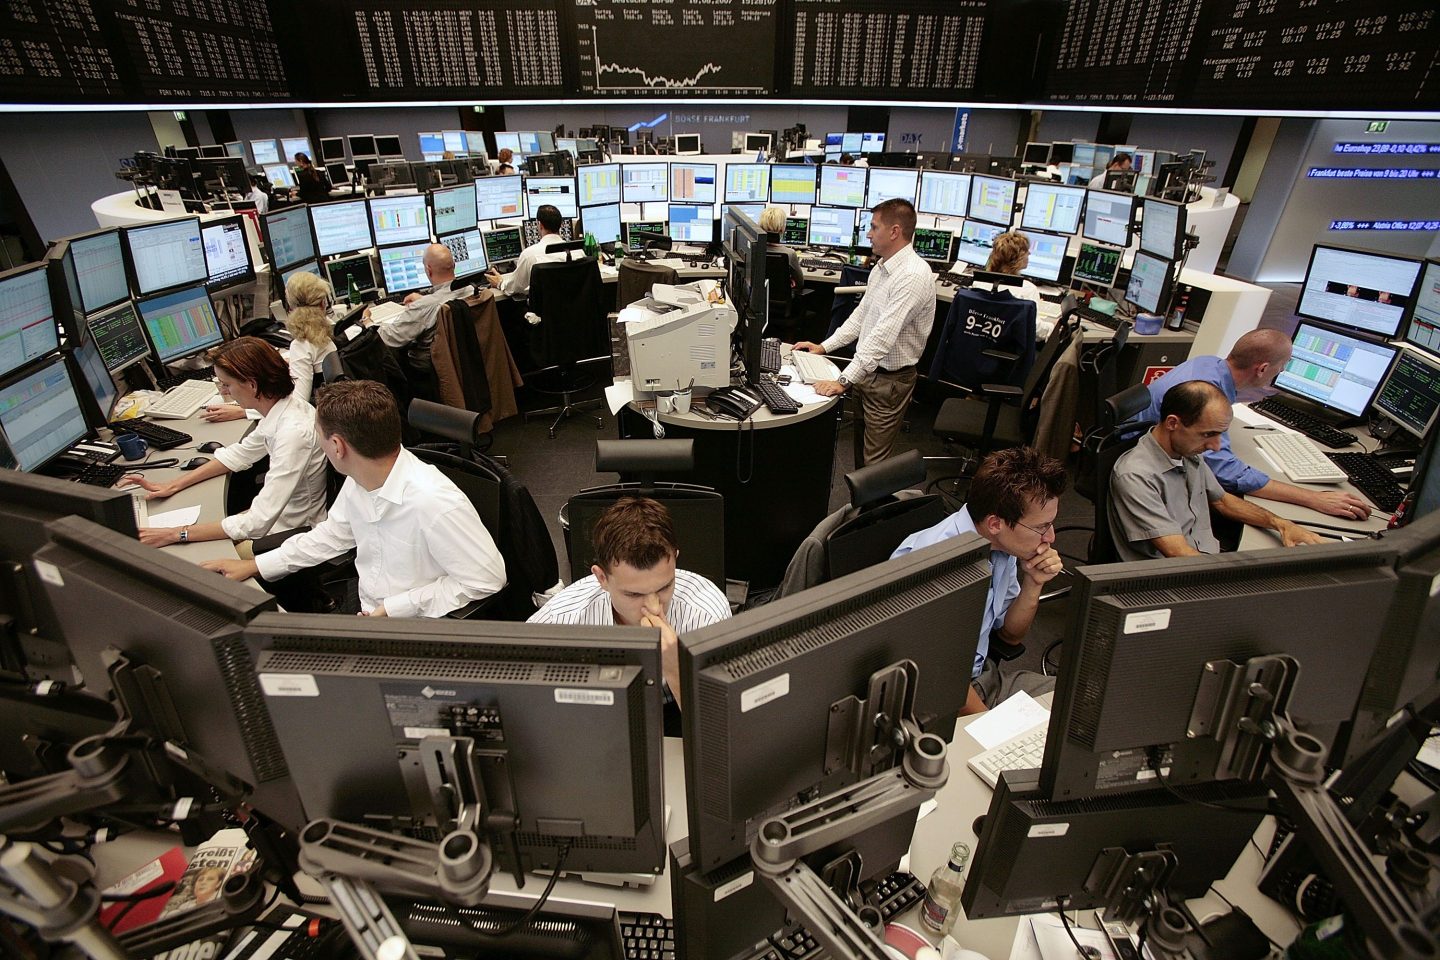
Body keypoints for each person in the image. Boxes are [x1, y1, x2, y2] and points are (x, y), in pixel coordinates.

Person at [201, 380, 506, 617]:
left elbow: (487, 580)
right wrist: (255, 566)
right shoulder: (361, 478)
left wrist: (397, 607)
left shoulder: (434, 503)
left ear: (337, 446)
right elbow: (332, 537)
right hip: (369, 607)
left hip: (414, 626)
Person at [891, 447, 1067, 714]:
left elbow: (1009, 635)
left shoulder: (1001, 547)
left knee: (1079, 707)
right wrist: (988, 731)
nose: (1051, 538)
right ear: (996, 523)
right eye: (1041, 527)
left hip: (983, 679)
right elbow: (938, 679)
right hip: (935, 700)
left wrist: (1034, 582)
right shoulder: (933, 570)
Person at [1142, 328, 1372, 520]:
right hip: (1151, 471)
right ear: (1262, 369)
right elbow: (1227, 473)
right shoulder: (1207, 394)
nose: (1280, 372)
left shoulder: (1209, 364)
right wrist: (1312, 497)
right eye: (1281, 367)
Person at [126, 337, 329, 551]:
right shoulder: (283, 409)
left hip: (291, 531)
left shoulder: (292, 433)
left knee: (195, 558)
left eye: (226, 384)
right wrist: (174, 485)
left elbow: (257, 522)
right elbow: (239, 455)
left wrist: (175, 534)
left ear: (252, 384)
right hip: (277, 515)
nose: (223, 392)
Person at [530, 497, 730, 708]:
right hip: (597, 715)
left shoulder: (707, 614)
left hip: (676, 713)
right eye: (634, 595)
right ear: (602, 579)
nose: (654, 607)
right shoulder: (561, 619)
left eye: (664, 587)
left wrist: (675, 668)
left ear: (675, 559)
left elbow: (718, 724)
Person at [1111, 381, 1324, 561]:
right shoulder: (1136, 476)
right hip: (1173, 575)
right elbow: (1178, 553)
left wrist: (1281, 524)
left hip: (1205, 551)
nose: (1216, 446)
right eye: (1208, 434)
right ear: (1173, 423)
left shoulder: (1187, 452)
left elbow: (1222, 501)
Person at [794, 198, 936, 465]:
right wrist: (825, 346)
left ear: (894, 231)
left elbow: (882, 337)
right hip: (868, 373)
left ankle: (873, 508)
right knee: (860, 457)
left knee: (873, 466)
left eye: (874, 227)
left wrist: (843, 381)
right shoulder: (882, 268)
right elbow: (861, 317)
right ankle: (862, 507)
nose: (869, 234)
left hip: (889, 381)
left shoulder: (912, 276)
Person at [203, 271, 337, 422]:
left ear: (290, 308)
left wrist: (244, 412)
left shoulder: (302, 345)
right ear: (323, 304)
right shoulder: (330, 330)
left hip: (318, 420)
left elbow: (300, 403)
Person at [367, 243, 474, 349]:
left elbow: (388, 338)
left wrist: (368, 321)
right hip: (466, 354)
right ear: (454, 265)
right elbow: (443, 298)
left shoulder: (423, 306)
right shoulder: (471, 290)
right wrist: (424, 300)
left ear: (428, 270)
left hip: (428, 363)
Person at [486, 203, 565, 299]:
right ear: (560, 225)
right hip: (576, 312)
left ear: (540, 225)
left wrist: (500, 283)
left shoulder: (530, 255)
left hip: (544, 313)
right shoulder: (578, 252)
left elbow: (514, 287)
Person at [975, 231, 1042, 309]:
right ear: (1018, 258)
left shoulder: (978, 283)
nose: (1029, 253)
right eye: (1026, 251)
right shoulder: (1028, 290)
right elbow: (1034, 321)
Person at [757, 205, 804, 295]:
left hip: (758, 301)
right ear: (783, 229)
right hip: (782, 301)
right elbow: (800, 283)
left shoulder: (755, 250)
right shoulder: (790, 253)